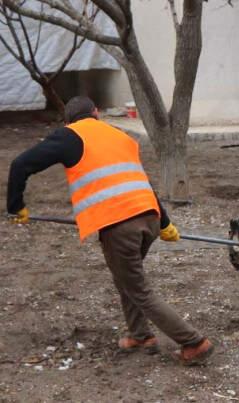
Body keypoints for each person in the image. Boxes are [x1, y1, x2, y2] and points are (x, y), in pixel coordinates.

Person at [6, 96, 213, 365]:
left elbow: (20, 165)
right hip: (147, 217)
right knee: (125, 278)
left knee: (138, 288)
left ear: (68, 121)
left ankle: (194, 342)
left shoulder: (70, 135)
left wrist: (15, 206)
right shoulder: (121, 137)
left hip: (119, 225)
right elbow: (141, 180)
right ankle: (140, 335)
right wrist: (164, 222)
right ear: (95, 113)